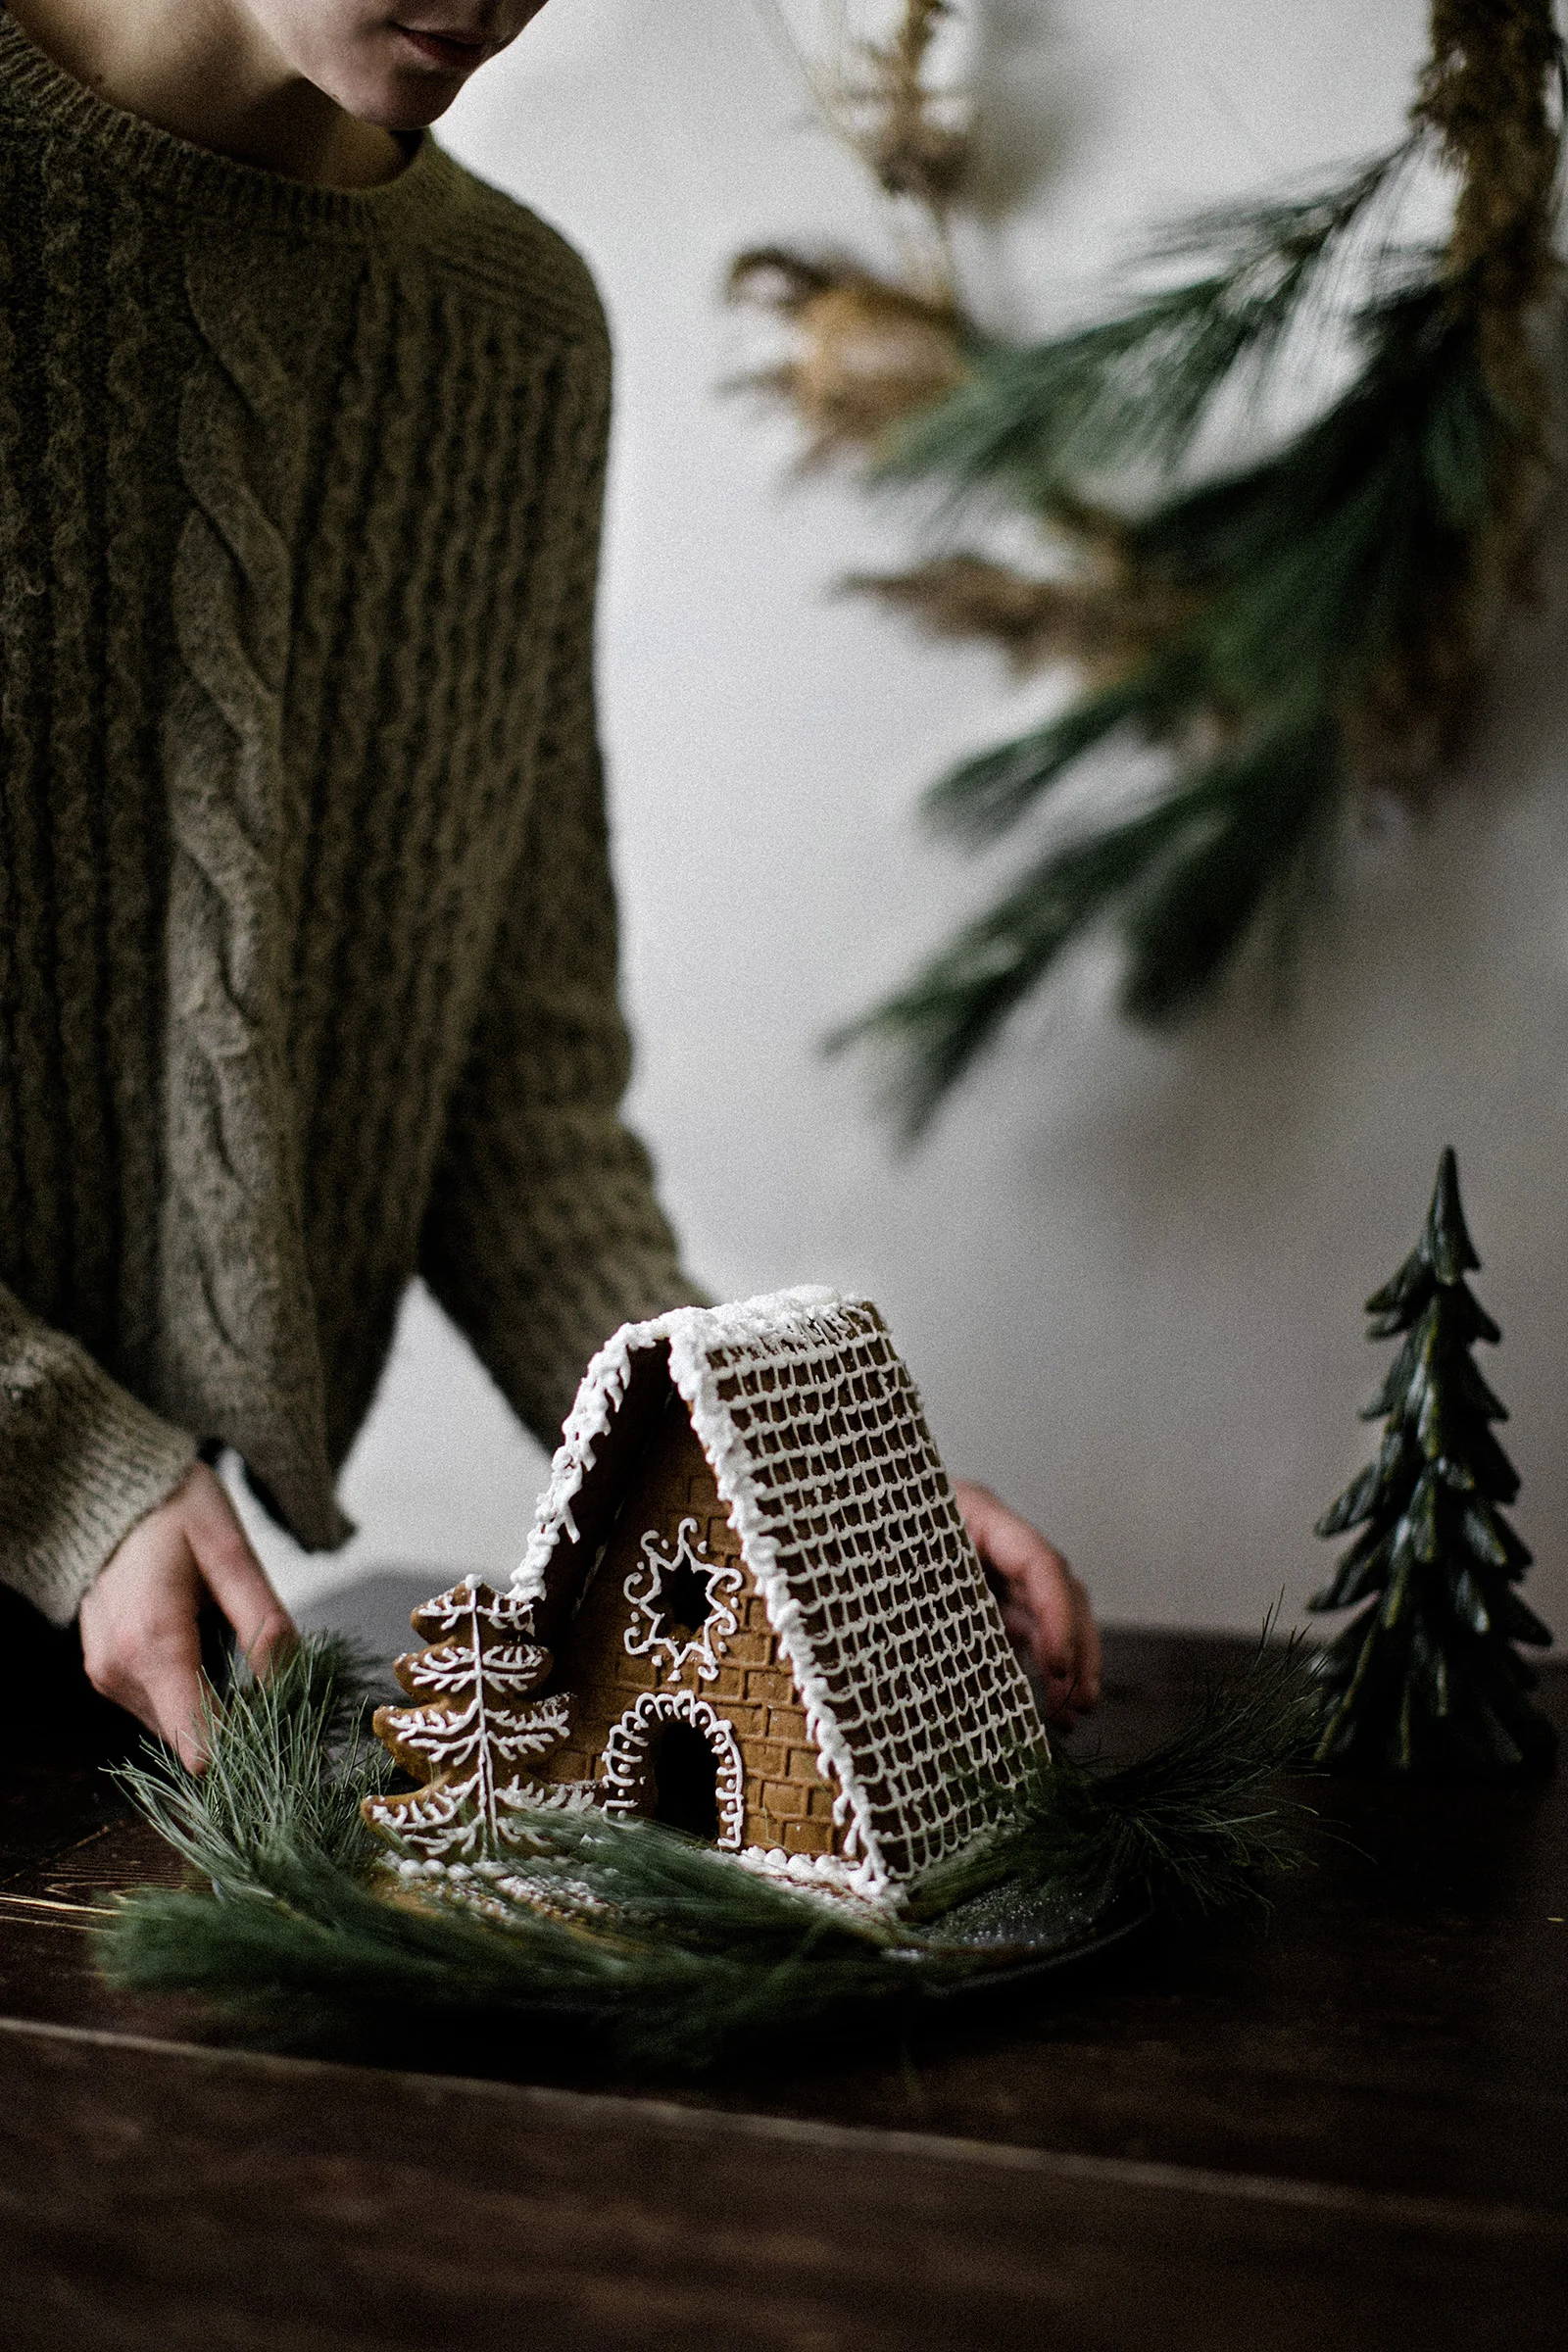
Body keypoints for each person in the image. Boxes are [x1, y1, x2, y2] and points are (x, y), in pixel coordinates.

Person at [0, 0, 1101, 1771]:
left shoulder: (506, 337)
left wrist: (783, 1493)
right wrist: (56, 1465)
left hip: (146, 1661)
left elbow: (510, 1098)